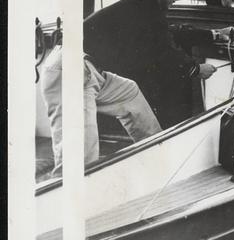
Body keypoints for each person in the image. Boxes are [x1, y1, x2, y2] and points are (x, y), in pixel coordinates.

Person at [84, 0, 231, 129]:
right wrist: (196, 69)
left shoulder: (139, 6)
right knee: (86, 148)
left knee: (132, 97)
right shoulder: (146, 12)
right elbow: (165, 51)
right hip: (75, 69)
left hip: (91, 68)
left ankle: (152, 146)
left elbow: (165, 34)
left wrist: (213, 35)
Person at [40, 46, 162, 175]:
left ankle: (157, 156)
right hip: (68, 70)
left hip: (89, 68)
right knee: (81, 160)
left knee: (129, 92)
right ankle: (68, 190)